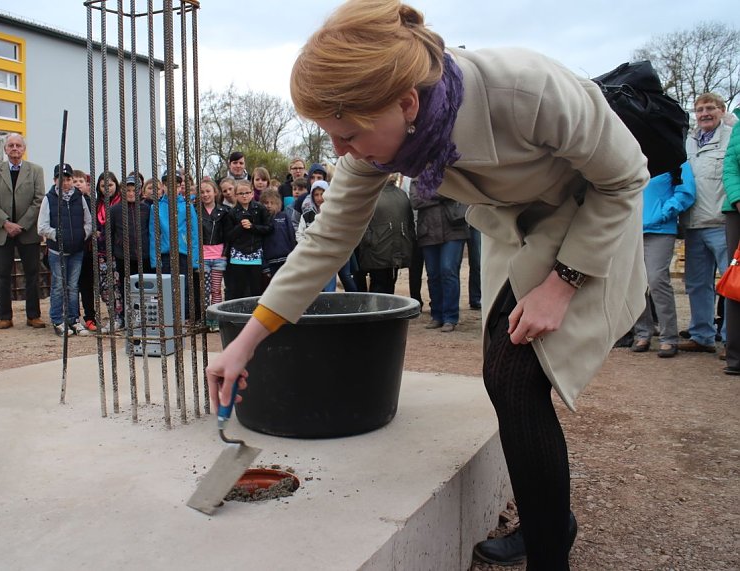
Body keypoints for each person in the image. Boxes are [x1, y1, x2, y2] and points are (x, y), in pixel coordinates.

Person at [206, 2, 649, 569]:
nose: (340, 152)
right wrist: (246, 341)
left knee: (515, 374)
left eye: (346, 135)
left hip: (590, 216)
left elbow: (624, 176)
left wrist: (562, 284)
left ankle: (548, 550)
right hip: (521, 228)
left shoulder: (527, 88)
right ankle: (548, 520)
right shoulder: (379, 137)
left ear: (407, 103)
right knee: (503, 371)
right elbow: (326, 242)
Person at [679, 93, 733, 354]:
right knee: (697, 284)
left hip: (722, 223)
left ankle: (731, 339)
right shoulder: (688, 142)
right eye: (699, 110)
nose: (704, 114)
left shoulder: (732, 137)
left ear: (722, 111)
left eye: (710, 108)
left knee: (732, 283)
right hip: (694, 224)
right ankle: (702, 335)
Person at [630, 164, 695, 357]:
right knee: (634, 283)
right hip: (632, 231)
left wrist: (664, 212)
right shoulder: (635, 157)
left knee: (657, 280)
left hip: (660, 230)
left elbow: (686, 192)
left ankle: (669, 337)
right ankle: (643, 333)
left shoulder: (676, 161)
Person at [0, 133, 46, 330]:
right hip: (1, 231)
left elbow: (39, 200)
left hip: (27, 231)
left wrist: (22, 224)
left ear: (24, 149)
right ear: (5, 149)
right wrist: (6, 223)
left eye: (18, 145)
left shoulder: (35, 170)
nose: (14, 148)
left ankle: (33, 315)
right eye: (11, 145)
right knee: (1, 275)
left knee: (32, 274)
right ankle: (5, 316)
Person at [37, 163, 92, 337]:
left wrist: (82, 234)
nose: (66, 182)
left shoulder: (79, 197)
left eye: (68, 179)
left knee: (73, 286)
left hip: (77, 250)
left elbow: (88, 220)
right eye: (62, 179)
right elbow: (42, 226)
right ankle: (57, 320)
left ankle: (73, 319)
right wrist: (57, 235)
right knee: (59, 286)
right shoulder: (49, 198)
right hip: (57, 252)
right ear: (55, 180)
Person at [409, 185, 469, 332]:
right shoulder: (418, 175)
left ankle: (450, 317)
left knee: (448, 271)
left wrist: (428, 194)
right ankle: (437, 315)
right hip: (427, 231)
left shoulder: (450, 171)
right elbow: (415, 201)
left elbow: (459, 192)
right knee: (433, 274)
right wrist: (442, 194)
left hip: (454, 230)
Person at [150, 170, 201, 321]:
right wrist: (155, 259)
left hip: (183, 253)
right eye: (168, 185)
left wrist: (195, 258)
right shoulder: (156, 207)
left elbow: (194, 233)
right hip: (165, 253)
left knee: (184, 286)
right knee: (166, 286)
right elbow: (154, 234)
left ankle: (184, 316)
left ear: (180, 187)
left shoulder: (187, 206)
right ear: (163, 186)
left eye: (177, 185)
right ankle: (169, 316)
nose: (172, 188)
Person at [355, 175, 414, 294]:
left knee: (385, 286)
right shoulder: (372, 194)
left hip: (388, 251)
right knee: (381, 286)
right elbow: (362, 223)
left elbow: (409, 223)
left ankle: (383, 311)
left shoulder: (400, 194)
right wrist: (369, 240)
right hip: (381, 251)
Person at [109, 175, 152, 329]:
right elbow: (111, 232)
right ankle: (128, 318)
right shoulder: (114, 210)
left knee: (145, 287)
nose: (131, 193)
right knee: (126, 288)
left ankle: (146, 317)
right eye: (127, 190)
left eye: (134, 190)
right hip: (123, 256)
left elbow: (151, 230)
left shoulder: (146, 209)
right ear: (122, 191)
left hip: (144, 255)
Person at [224, 179, 272, 299]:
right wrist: (240, 227)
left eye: (247, 192)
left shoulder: (260, 209)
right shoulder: (232, 213)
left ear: (252, 193)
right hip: (238, 255)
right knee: (239, 287)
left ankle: (253, 312)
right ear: (235, 195)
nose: (244, 196)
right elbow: (228, 235)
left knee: (255, 287)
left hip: (255, 253)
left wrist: (252, 227)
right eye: (241, 193)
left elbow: (268, 228)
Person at [721, 108, 740, 374]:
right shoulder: (739, 122)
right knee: (736, 280)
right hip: (737, 209)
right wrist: (737, 197)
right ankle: (735, 355)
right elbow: (731, 165)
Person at [296, 180, 338, 292]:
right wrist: (308, 246)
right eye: (316, 194)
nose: (319, 198)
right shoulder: (306, 215)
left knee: (329, 293)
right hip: (311, 259)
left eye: (322, 194)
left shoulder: (334, 215)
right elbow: (300, 234)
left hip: (329, 259)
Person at [199, 178, 230, 329]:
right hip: (203, 257)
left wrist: (224, 254)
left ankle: (215, 320)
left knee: (216, 289)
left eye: (208, 191)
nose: (205, 195)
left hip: (218, 257)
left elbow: (227, 234)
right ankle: (205, 319)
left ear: (215, 192)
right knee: (204, 290)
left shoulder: (224, 211)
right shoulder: (195, 210)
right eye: (202, 192)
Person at [95, 171, 123, 329]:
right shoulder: (96, 204)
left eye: (110, 185)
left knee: (118, 285)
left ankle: (120, 317)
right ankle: (112, 315)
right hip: (101, 252)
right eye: (104, 186)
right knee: (104, 287)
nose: (107, 189)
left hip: (117, 252)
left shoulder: (121, 204)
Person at [72, 169, 97, 332]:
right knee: (72, 286)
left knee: (87, 286)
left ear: (87, 185)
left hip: (88, 250)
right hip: (71, 250)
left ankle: (90, 316)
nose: (77, 184)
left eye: (81, 181)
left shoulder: (91, 203)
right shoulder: (65, 202)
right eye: (74, 181)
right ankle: (73, 317)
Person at [260, 188, 297, 288]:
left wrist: (293, 260)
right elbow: (259, 245)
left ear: (278, 204)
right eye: (266, 203)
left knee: (288, 288)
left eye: (272, 203)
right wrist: (265, 267)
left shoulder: (284, 217)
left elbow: (292, 238)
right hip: (270, 264)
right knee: (273, 289)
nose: (269, 206)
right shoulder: (260, 220)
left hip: (286, 261)